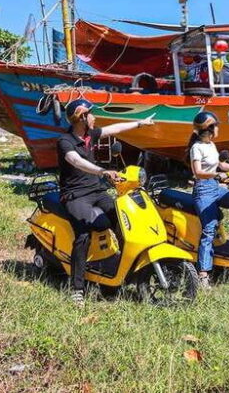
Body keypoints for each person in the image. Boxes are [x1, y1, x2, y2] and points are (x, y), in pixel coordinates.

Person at [57, 98, 154, 305]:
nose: (94, 117)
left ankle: (125, 265)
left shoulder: (89, 134)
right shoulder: (65, 141)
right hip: (75, 194)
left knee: (122, 219)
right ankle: (77, 288)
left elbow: (114, 129)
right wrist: (103, 171)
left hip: (97, 190)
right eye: (91, 113)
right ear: (82, 117)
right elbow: (76, 161)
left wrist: (140, 123)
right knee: (83, 233)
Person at [187, 111, 229, 289]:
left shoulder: (211, 145)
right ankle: (203, 274)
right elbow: (198, 172)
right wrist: (218, 174)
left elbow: (221, 165)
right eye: (216, 125)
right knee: (209, 228)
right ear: (208, 128)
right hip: (203, 190)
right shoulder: (196, 148)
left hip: (217, 188)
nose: (218, 128)